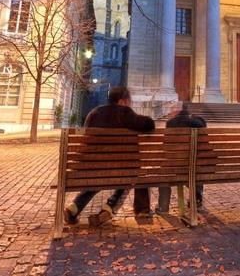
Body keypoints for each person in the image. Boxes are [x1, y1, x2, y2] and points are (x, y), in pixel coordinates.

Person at [63, 86, 155, 226]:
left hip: (89, 168)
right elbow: (149, 124)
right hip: (120, 168)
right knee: (129, 176)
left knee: (99, 179)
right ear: (122, 101)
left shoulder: (94, 113)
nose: (130, 104)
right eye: (129, 101)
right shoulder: (125, 113)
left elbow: (85, 136)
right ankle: (109, 208)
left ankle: (74, 208)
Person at [156, 103, 207, 213]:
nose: (170, 112)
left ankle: (163, 206)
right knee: (197, 168)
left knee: (163, 174)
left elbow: (166, 146)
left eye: (172, 109)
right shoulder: (199, 122)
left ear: (178, 109)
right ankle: (196, 202)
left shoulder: (171, 123)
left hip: (174, 166)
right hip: (196, 167)